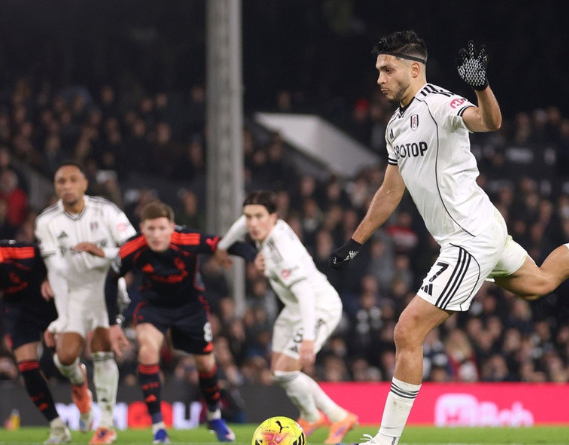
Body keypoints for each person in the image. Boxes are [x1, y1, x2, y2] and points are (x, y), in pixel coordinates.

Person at [329, 31, 569, 445]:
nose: (379, 79)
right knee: (540, 282)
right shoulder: (395, 127)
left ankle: (386, 440)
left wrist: (481, 86)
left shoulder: (438, 103)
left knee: (407, 331)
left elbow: (490, 121)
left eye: (387, 69)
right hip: (479, 229)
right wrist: (356, 241)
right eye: (378, 70)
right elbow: (389, 191)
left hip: (469, 236)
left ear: (414, 69)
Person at [218, 191, 359, 444]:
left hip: (317, 307)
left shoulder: (282, 251)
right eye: (249, 217)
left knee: (285, 371)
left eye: (258, 217)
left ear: (273, 217)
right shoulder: (267, 226)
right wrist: (221, 247)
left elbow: (305, 293)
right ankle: (311, 416)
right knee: (278, 372)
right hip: (294, 308)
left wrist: (308, 339)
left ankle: (338, 417)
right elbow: (242, 224)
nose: (252, 223)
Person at [108, 201, 253, 443]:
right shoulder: (133, 248)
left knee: (206, 363)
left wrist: (256, 257)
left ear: (172, 227)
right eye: (151, 229)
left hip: (190, 307)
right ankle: (158, 428)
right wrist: (113, 323)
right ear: (142, 228)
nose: (156, 235)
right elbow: (111, 278)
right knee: (147, 352)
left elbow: (224, 244)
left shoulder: (187, 239)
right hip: (153, 307)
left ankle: (214, 417)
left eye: (161, 228)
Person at [35, 161, 135, 444]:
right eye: (61, 181)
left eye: (73, 180)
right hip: (73, 293)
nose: (67, 186)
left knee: (102, 349)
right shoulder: (46, 222)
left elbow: (133, 246)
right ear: (55, 187)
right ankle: (80, 385)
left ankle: (105, 425)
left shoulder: (106, 211)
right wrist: (61, 315)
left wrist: (103, 253)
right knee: (65, 358)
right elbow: (55, 269)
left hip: (105, 287)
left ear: (84, 184)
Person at [0, 219, 71, 444]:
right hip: (17, 308)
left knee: (65, 360)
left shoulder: (22, 252)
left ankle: (79, 385)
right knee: (27, 368)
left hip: (47, 301)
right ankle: (57, 426)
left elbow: (55, 258)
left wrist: (48, 278)